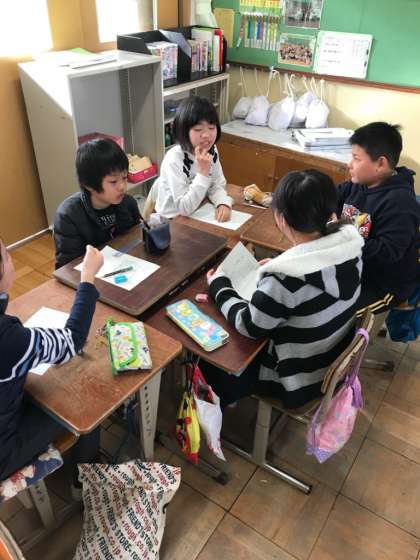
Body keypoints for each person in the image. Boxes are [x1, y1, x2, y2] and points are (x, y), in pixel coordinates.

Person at [202, 170, 364, 410]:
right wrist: (282, 263)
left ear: (281, 220)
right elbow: (314, 264)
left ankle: (220, 403)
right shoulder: (350, 247)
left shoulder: (285, 279)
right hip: (325, 361)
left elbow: (249, 325)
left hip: (295, 380)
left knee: (208, 356)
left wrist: (219, 286)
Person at [0, 240, 103, 490]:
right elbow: (72, 340)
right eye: (7, 255)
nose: (11, 258)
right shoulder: (9, 339)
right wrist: (88, 277)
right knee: (87, 403)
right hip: (4, 453)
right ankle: (86, 482)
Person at [336, 122, 420, 314]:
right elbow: (328, 199)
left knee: (334, 314)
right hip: (352, 267)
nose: (349, 164)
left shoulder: (400, 203)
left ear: (381, 163)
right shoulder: (358, 184)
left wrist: (340, 238)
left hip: (383, 284)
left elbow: (387, 253)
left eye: (356, 158)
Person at [54, 138, 141, 269]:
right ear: (88, 184)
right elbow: (68, 268)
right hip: (91, 274)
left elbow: (137, 239)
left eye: (124, 177)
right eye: (113, 181)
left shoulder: (128, 202)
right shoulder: (69, 216)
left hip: (127, 267)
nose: (122, 186)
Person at [155, 96, 233, 221]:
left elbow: (216, 184)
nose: (206, 135)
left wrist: (222, 202)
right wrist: (203, 172)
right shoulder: (174, 159)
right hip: (172, 219)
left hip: (199, 209)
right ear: (183, 131)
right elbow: (184, 208)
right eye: (198, 129)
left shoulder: (211, 150)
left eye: (211, 128)